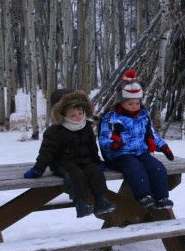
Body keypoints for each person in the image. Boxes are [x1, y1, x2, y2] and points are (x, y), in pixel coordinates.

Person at [24, 89, 116, 218]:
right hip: (63, 163)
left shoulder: (86, 127)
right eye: (73, 115)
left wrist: (97, 161)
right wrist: (38, 169)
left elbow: (92, 147)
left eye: (81, 113)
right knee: (76, 176)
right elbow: (47, 151)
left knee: (96, 172)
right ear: (62, 115)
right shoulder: (56, 131)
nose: (78, 117)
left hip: (84, 161)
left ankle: (101, 199)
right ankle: (80, 203)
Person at [98, 70, 175, 210]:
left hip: (141, 151)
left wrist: (163, 147)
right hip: (120, 154)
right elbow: (104, 138)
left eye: (137, 103)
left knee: (156, 167)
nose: (134, 107)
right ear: (121, 102)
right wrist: (114, 144)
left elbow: (152, 134)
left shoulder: (143, 116)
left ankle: (162, 197)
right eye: (130, 103)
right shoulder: (112, 117)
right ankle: (143, 195)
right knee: (135, 168)